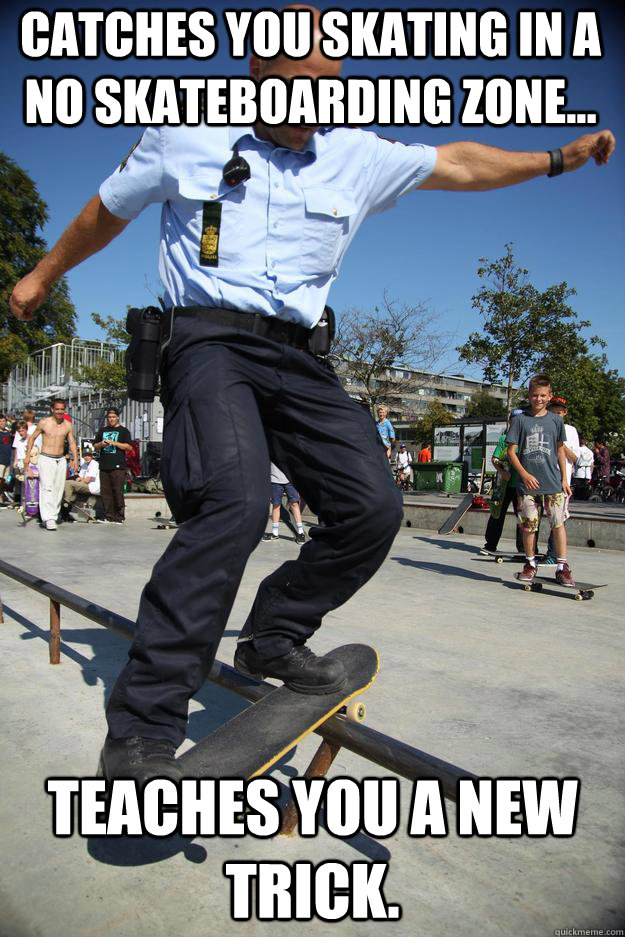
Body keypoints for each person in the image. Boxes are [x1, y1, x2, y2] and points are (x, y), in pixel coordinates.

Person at [9, 4, 615, 783]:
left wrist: (555, 158)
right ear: (257, 76)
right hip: (207, 343)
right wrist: (42, 275)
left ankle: (273, 633)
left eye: (331, 91)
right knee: (233, 503)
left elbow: (458, 162)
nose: (316, 112)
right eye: (301, 93)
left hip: (300, 358)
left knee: (373, 506)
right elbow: (105, 212)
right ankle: (141, 729)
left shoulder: (353, 153)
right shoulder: (184, 134)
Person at [507, 374, 574, 586]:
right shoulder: (520, 420)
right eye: (535, 395)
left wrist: (564, 478)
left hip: (553, 482)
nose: (539, 399)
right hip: (527, 485)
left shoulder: (556, 420)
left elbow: (560, 450)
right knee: (529, 526)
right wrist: (524, 475)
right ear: (529, 395)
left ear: (550, 396)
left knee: (558, 523)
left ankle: (562, 567)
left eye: (543, 395)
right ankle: (530, 563)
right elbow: (511, 452)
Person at [23, 399, 78, 531]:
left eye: (62, 409)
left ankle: (53, 514)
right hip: (46, 458)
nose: (59, 411)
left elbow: (71, 442)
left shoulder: (68, 425)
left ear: (64, 410)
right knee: (47, 488)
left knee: (58, 489)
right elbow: (32, 438)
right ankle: (48, 518)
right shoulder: (44, 422)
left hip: (61, 459)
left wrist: (75, 458)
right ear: (52, 410)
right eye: (57, 409)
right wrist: (27, 456)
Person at [482, 409, 525, 555]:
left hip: (521, 485)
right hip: (504, 485)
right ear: (510, 421)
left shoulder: (526, 438)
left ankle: (524, 548)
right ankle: (490, 544)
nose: (516, 423)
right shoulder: (504, 439)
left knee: (523, 516)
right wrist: (502, 471)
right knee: (497, 513)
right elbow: (494, 459)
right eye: (514, 420)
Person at [543, 397, 580, 564]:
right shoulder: (544, 426)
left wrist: (560, 442)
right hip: (544, 476)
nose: (556, 415)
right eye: (553, 412)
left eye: (559, 412)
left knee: (558, 518)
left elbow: (574, 457)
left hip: (561, 480)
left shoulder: (570, 431)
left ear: (565, 413)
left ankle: (554, 554)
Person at [93, 408, 132, 524]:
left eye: (113, 417)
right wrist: (101, 444)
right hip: (104, 465)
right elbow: (95, 446)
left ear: (118, 417)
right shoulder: (102, 430)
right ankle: (108, 516)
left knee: (117, 491)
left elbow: (128, 447)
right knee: (106, 492)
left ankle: (119, 517)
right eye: (109, 417)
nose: (111, 419)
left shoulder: (124, 431)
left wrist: (114, 443)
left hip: (118, 466)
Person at [263, 462, 306, 544]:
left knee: (294, 504)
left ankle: (301, 533)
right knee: (276, 506)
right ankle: (275, 534)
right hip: (274, 480)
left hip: (289, 480)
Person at [63, 450, 101, 515]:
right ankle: (66, 503)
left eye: (89, 455)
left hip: (92, 487)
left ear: (92, 456)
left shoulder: (94, 464)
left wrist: (78, 481)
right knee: (67, 483)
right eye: (85, 456)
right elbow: (79, 478)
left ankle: (66, 502)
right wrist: (79, 480)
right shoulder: (84, 464)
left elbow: (87, 480)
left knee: (68, 483)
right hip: (86, 485)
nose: (87, 457)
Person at [0, 414, 13, 507]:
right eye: (0, 421)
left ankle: (1, 496)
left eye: (3, 421)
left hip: (7, 460)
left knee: (5, 480)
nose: (2, 423)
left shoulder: (8, 433)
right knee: (0, 480)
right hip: (0, 461)